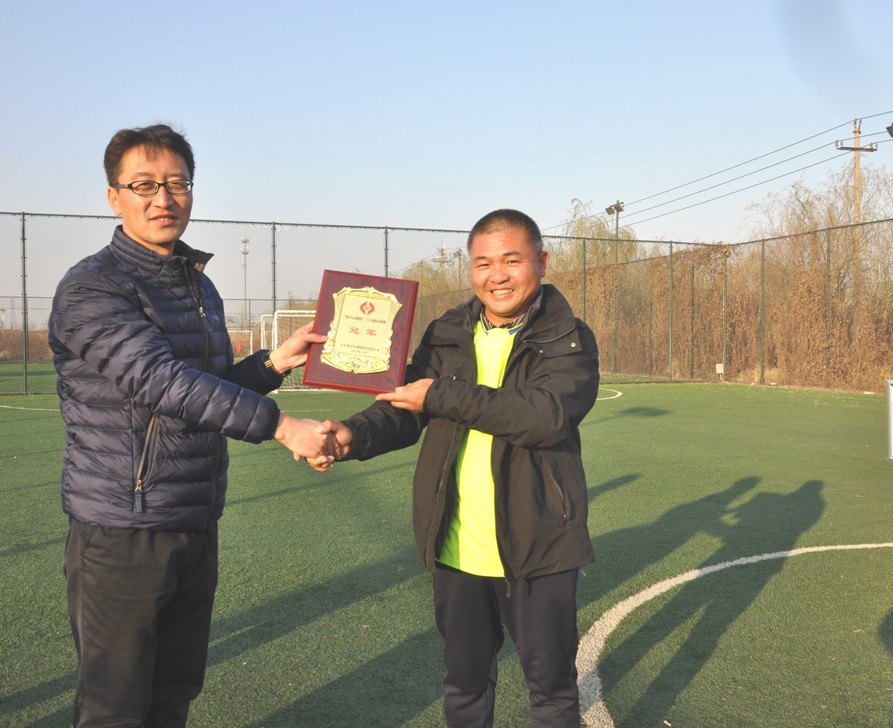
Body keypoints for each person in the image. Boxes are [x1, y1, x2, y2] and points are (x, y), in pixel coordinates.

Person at [48, 123, 332, 727]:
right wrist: (283, 427)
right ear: (114, 196)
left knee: (175, 691)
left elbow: (209, 385)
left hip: (195, 518)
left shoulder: (198, 284)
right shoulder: (92, 286)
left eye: (177, 183)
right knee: (115, 706)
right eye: (144, 184)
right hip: (123, 527)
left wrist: (273, 364)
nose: (163, 198)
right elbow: (160, 381)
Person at [312, 209, 599, 726]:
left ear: (541, 262)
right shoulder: (447, 332)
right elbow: (405, 406)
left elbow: (545, 416)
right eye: (484, 263)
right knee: (464, 687)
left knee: (552, 691)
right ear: (471, 269)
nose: (497, 276)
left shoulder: (568, 338)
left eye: (512, 261)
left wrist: (440, 395)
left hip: (539, 548)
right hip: (455, 548)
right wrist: (353, 435)